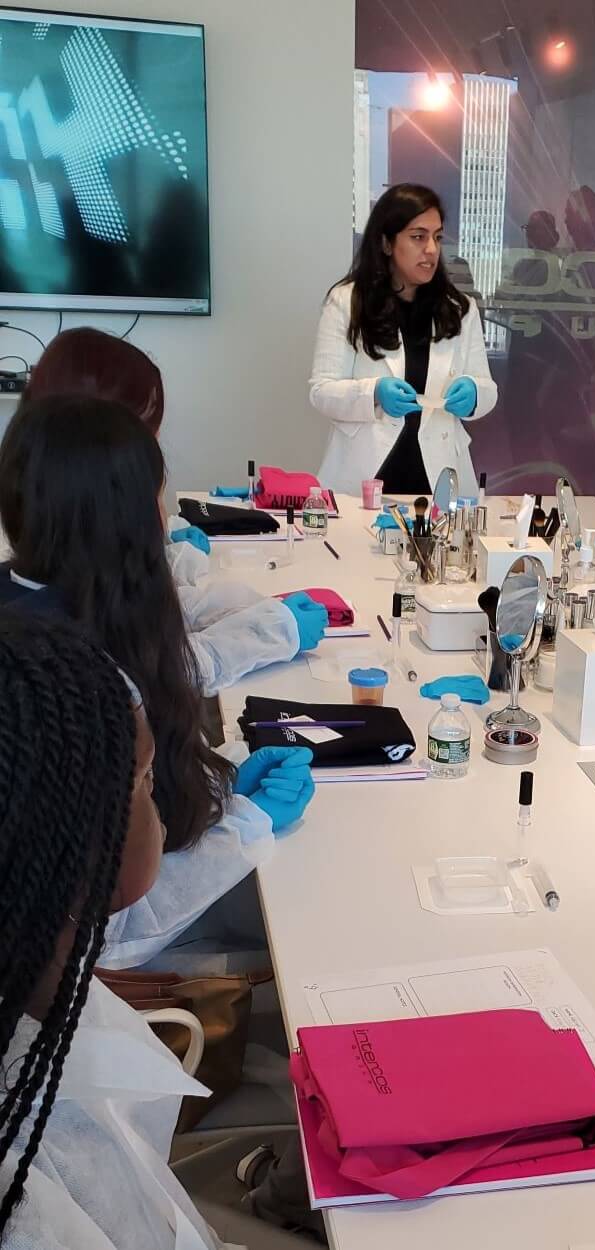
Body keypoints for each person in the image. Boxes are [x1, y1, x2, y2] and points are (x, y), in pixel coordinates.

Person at [0, 395, 316, 968]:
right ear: (127, 520)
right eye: (158, 500)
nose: (166, 520)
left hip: (88, 932)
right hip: (101, 962)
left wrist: (220, 788)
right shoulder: (67, 685)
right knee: (313, 906)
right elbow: (110, 922)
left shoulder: (38, 603)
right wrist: (245, 824)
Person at [0, 613, 237, 1248]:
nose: (159, 807)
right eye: (146, 781)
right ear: (72, 838)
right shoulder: (31, 1198)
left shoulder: (35, 980)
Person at [21, 326, 328, 694]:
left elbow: (140, 612)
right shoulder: (50, 607)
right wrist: (269, 632)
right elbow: (146, 671)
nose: (154, 440)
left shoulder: (58, 500)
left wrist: (176, 562)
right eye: (146, 426)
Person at [309, 183, 497, 497]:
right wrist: (374, 392)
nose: (432, 249)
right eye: (418, 237)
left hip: (438, 477)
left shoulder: (459, 309)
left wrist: (475, 393)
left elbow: (488, 390)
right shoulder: (347, 302)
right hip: (364, 477)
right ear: (386, 243)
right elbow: (321, 391)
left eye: (437, 237)